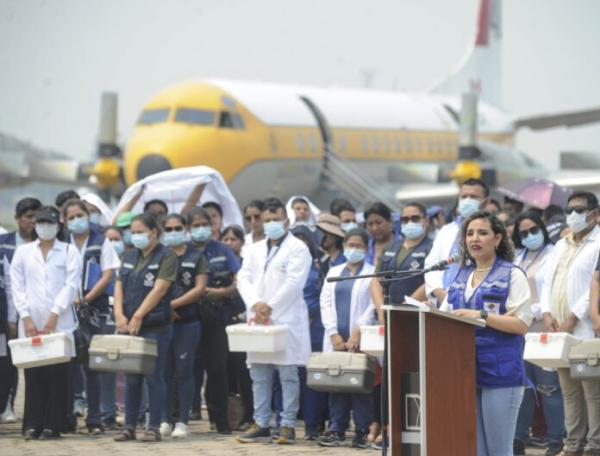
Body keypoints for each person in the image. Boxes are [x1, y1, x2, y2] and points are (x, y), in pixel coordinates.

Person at [441, 211, 532, 456]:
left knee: (499, 450)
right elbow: (446, 316)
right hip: (466, 371)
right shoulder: (460, 275)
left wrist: (482, 316)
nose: (475, 238)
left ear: (498, 238)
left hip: (501, 374)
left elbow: (521, 324)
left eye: (482, 233)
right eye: (470, 233)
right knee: (475, 450)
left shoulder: (513, 274)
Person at [236, 197, 311, 445]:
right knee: (259, 372)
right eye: (267, 220)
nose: (271, 224)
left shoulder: (298, 248)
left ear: (287, 221)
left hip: (285, 316)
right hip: (257, 316)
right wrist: (256, 303)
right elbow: (243, 278)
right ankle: (261, 422)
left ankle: (287, 424)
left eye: (276, 219)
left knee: (287, 373)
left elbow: (294, 282)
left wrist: (270, 306)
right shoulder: (254, 248)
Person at [10, 206, 82, 440]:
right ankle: (32, 423)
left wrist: (53, 316)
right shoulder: (23, 252)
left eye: (50, 223)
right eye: (40, 222)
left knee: (58, 374)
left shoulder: (69, 251)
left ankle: (54, 424)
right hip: (30, 321)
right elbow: (17, 286)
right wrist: (26, 317)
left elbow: (70, 285)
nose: (45, 227)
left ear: (58, 226)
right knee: (34, 374)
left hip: (59, 322)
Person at [540, 191, 600, 456]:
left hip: (583, 328)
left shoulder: (598, 244)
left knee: (591, 390)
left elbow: (594, 288)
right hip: (558, 330)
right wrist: (546, 311)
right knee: (569, 390)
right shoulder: (562, 244)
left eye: (579, 210)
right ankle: (572, 444)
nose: (573, 215)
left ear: (595, 214)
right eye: (570, 210)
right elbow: (547, 281)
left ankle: (594, 445)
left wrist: (574, 316)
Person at [113, 213, 177, 442]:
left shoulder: (167, 256)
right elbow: (118, 287)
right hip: (129, 325)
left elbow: (159, 289)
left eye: (140, 231)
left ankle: (154, 427)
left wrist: (138, 315)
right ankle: (129, 425)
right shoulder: (128, 255)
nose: (135, 235)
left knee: (153, 377)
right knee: (131, 377)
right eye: (133, 231)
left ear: (154, 232)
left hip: (155, 325)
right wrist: (119, 315)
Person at [62, 199, 121, 434]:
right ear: (64, 221)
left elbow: (108, 274)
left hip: (93, 311)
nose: (77, 221)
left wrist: (85, 299)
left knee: (93, 367)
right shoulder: (61, 243)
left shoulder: (100, 240)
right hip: (66, 311)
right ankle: (66, 418)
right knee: (66, 366)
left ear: (88, 216)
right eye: (71, 217)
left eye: (80, 215)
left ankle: (95, 419)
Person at [511, 211, 564, 456]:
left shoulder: (555, 253)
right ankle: (518, 439)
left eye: (534, 230)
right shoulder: (516, 257)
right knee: (523, 388)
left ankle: (557, 440)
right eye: (524, 233)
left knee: (549, 387)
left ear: (542, 228)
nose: (530, 235)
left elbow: (553, 288)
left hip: (545, 327)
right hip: (519, 330)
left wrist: (536, 309)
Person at [318, 228, 375, 448]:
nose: (354, 249)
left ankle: (361, 430)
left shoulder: (371, 273)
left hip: (359, 339)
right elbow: (325, 302)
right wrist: (333, 333)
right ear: (343, 246)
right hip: (335, 340)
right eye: (350, 245)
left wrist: (358, 332)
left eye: (359, 245)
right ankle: (337, 429)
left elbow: (372, 305)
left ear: (366, 248)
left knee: (360, 385)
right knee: (337, 384)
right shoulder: (334, 271)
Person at [188, 207, 240, 434]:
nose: (200, 229)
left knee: (218, 370)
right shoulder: (183, 251)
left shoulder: (222, 250)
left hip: (218, 316)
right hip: (188, 317)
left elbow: (238, 280)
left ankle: (219, 421)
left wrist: (221, 292)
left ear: (211, 226)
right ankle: (179, 417)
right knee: (185, 370)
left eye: (204, 224)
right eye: (195, 225)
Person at [160, 214, 208, 438]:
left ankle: (183, 421)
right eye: (168, 229)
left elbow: (199, 289)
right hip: (161, 322)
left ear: (185, 229)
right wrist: (163, 308)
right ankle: (164, 418)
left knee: (184, 371)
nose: (173, 232)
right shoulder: (159, 255)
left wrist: (172, 305)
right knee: (164, 372)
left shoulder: (196, 256)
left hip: (187, 322)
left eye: (177, 228)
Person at [0, 197, 41, 424]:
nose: (33, 221)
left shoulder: (45, 244)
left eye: (37, 216)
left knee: (30, 360)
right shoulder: (4, 242)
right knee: (6, 362)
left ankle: (34, 409)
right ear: (17, 219)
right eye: (28, 216)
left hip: (36, 310)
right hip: (11, 311)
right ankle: (6, 404)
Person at [290, 224, 328, 441]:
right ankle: (284, 424)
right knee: (285, 379)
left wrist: (308, 314)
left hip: (313, 331)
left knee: (312, 381)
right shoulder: (286, 266)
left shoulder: (317, 268)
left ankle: (312, 426)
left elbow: (320, 297)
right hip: (289, 329)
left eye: (304, 240)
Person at [425, 178, 490, 304]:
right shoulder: (446, 230)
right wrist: (440, 294)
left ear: (486, 202)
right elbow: (431, 264)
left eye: (473, 197)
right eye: (464, 196)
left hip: (472, 304)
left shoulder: (491, 231)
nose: (467, 200)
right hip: (441, 303)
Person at [221, 225, 254, 430]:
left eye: (234, 239)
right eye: (225, 239)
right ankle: (230, 415)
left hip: (244, 324)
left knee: (244, 372)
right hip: (222, 324)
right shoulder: (217, 264)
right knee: (226, 372)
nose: (229, 243)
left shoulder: (246, 265)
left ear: (242, 242)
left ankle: (249, 415)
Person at [364, 202, 401, 266]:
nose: (375, 228)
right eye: (370, 224)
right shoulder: (364, 248)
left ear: (390, 221)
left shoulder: (404, 244)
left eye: (378, 223)